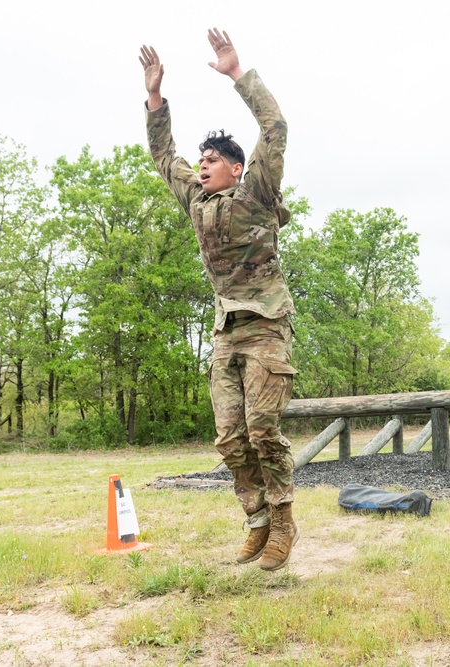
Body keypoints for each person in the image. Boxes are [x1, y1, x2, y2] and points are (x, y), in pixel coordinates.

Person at [139, 29, 299, 571]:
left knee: (263, 430)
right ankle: (255, 518)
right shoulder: (195, 197)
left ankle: (282, 521)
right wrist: (156, 97)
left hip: (267, 326)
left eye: (213, 159)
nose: (202, 164)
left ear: (235, 168)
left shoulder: (255, 190)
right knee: (230, 438)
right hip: (225, 331)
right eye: (201, 159)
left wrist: (238, 74)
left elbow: (274, 126)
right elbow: (163, 155)